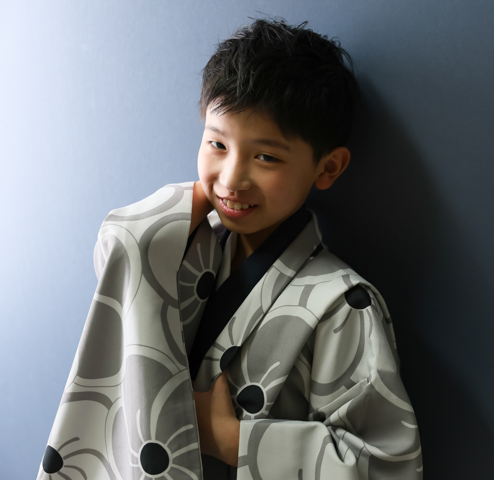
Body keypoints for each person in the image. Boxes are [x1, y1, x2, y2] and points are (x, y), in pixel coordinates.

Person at [38, 18, 423, 480]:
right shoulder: (184, 245)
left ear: (328, 168)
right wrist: (191, 201)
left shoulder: (342, 305)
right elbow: (119, 256)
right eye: (217, 144)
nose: (232, 178)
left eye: (266, 157)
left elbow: (386, 465)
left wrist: (227, 438)